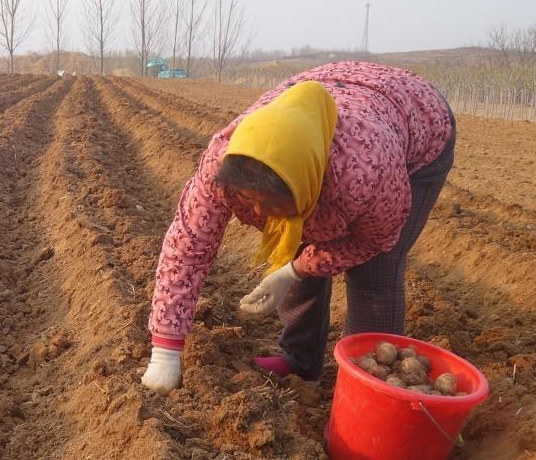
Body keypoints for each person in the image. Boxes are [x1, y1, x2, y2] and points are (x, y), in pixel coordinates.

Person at [141, 61, 456, 394]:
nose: (260, 212)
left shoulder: (365, 175)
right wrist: (166, 351)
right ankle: (300, 362)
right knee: (291, 241)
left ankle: (370, 388)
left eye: (273, 203)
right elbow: (186, 250)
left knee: (374, 272)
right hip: (338, 101)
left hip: (418, 118)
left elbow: (373, 240)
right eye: (250, 200)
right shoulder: (222, 166)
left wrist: (297, 270)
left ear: (312, 185)